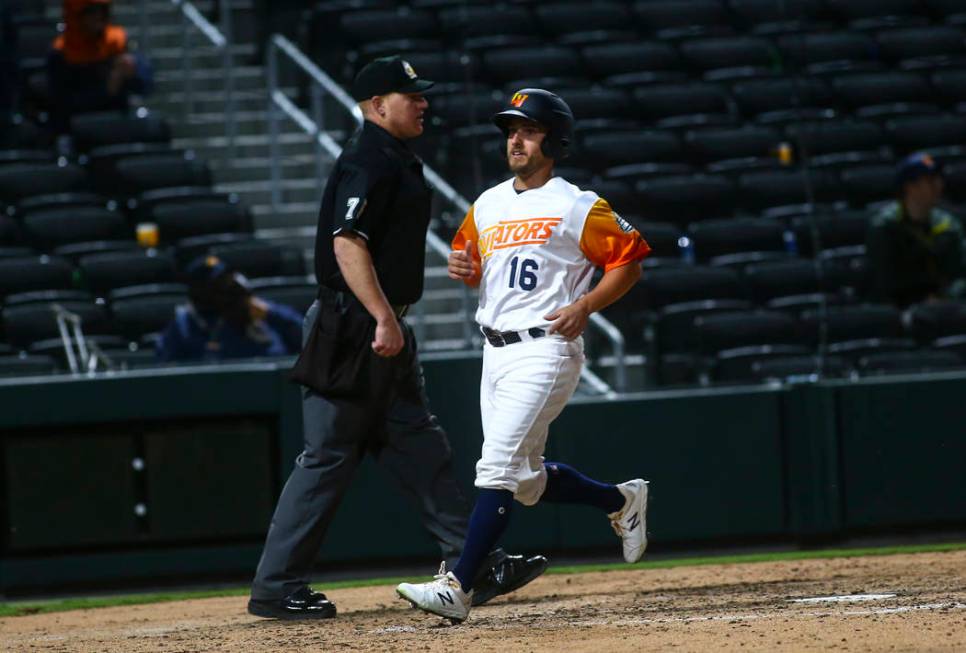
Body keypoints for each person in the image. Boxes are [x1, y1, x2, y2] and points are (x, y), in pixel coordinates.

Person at [247, 57, 547, 621]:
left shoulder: (394, 157)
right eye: (411, 95)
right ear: (378, 105)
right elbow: (347, 243)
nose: (424, 102)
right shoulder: (369, 158)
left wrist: (392, 320)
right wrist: (384, 318)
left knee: (421, 449)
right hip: (353, 327)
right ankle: (275, 586)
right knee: (328, 457)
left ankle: (474, 562)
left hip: (381, 327)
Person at [396, 89, 653, 624]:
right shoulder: (487, 203)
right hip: (496, 350)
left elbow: (629, 262)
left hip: (547, 348)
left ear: (554, 139)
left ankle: (458, 587)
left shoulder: (576, 203)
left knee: (495, 466)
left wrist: (586, 304)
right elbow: (472, 263)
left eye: (528, 130)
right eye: (511, 129)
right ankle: (620, 501)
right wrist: (467, 273)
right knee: (527, 481)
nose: (515, 138)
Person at [156, 255, 303, 362]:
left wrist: (271, 314)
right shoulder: (186, 325)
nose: (228, 288)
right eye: (219, 284)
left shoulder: (256, 308)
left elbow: (307, 339)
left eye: (227, 280)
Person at [867, 152, 965, 308]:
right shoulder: (886, 227)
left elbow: (961, 273)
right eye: (930, 180)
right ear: (910, 187)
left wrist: (946, 296)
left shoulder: (948, 225)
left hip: (947, 306)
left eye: (938, 179)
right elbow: (883, 281)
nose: (938, 185)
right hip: (902, 308)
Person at [46, 0, 152, 132]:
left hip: (117, 123)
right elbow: (60, 105)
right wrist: (108, 90)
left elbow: (146, 86)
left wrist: (133, 73)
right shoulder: (61, 52)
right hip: (79, 127)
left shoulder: (117, 43)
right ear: (77, 16)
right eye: (91, 12)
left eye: (102, 11)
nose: (98, 17)